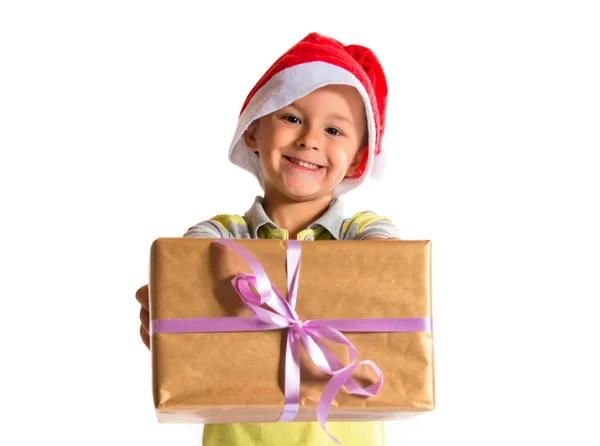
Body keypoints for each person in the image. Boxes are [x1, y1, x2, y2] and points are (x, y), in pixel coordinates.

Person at [136, 32, 400, 446]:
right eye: (292, 118)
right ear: (254, 131)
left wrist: (382, 266)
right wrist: (172, 299)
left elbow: (388, 253)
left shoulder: (360, 234)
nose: (310, 139)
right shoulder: (225, 232)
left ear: (358, 159)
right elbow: (188, 256)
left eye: (335, 130)